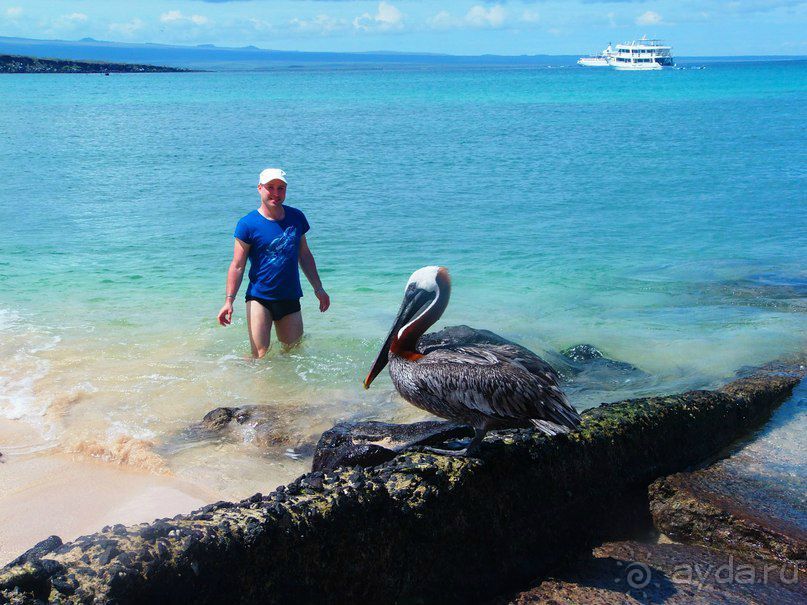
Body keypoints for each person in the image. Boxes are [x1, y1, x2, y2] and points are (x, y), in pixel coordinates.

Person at [217, 168, 330, 357]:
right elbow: (237, 265)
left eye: (281, 188)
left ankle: (290, 388)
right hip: (259, 298)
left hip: (290, 296)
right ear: (260, 188)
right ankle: (250, 384)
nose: (276, 194)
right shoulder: (247, 224)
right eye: (270, 187)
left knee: (293, 354)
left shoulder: (296, 217)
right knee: (260, 356)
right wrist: (229, 301)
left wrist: (318, 288)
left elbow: (305, 254)